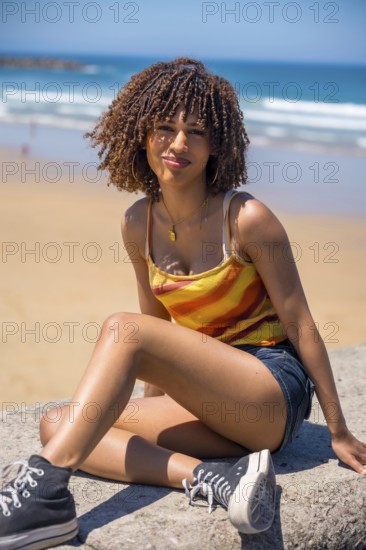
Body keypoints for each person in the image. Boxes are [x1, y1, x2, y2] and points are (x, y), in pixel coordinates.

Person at [1, 58, 365, 550]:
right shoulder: (137, 224)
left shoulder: (247, 218)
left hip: (269, 392)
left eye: (196, 132)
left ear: (216, 146)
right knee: (60, 423)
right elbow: (159, 330)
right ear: (141, 134)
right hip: (209, 403)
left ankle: (43, 489)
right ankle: (214, 479)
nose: (178, 144)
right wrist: (153, 417)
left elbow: (300, 323)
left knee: (120, 328)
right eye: (166, 128)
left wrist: (338, 432)